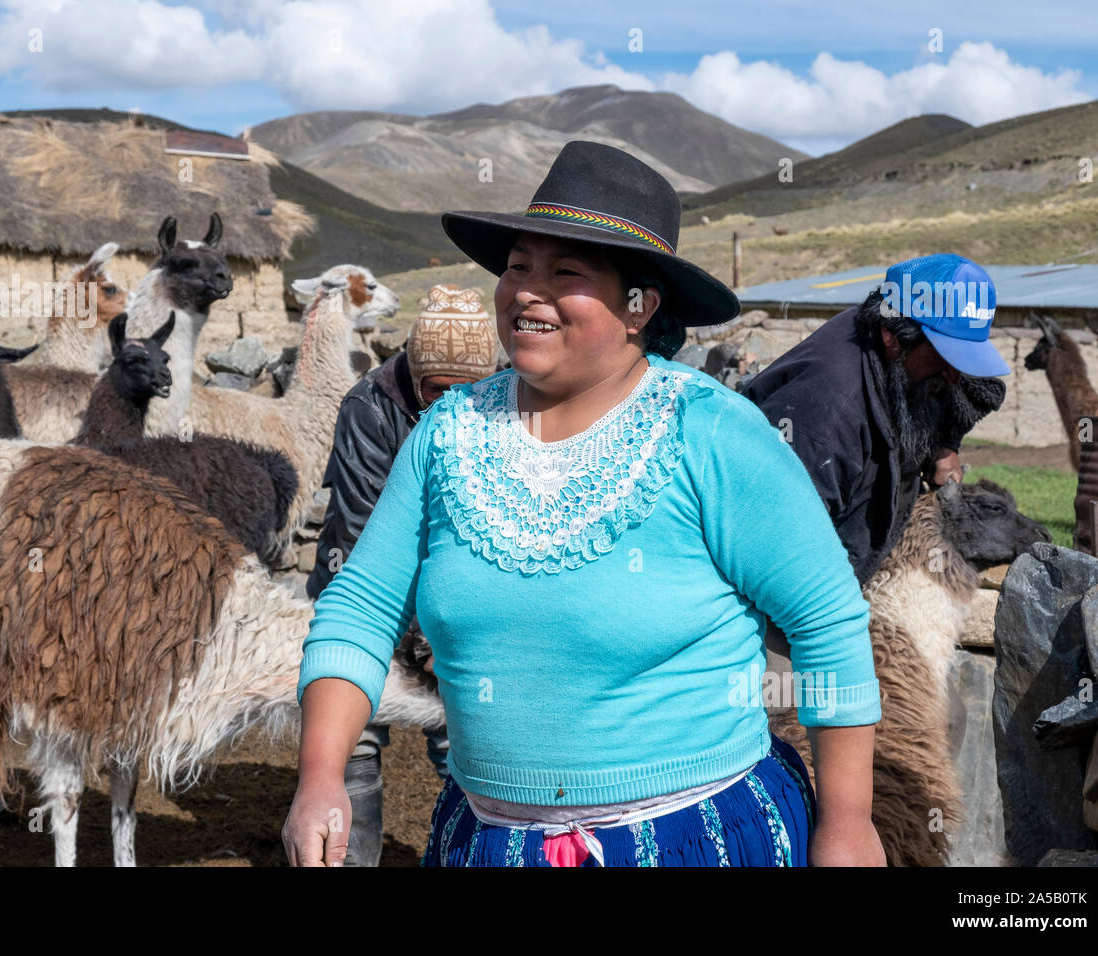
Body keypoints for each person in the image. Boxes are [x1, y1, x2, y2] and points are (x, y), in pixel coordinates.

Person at [284, 140, 884, 867]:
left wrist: (848, 823)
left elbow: (827, 624)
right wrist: (321, 778)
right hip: (489, 841)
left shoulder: (710, 433)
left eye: (565, 272)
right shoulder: (448, 435)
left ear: (640, 307)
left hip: (694, 839)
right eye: (517, 267)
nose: (526, 291)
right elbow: (359, 608)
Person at [305, 283, 499, 866]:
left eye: (469, 391)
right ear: (416, 375)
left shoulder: (511, 405)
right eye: (438, 390)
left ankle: (473, 849)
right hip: (366, 593)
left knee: (470, 735)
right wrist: (418, 639)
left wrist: (454, 632)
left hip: (461, 600)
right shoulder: (369, 407)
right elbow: (361, 534)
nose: (452, 406)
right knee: (351, 735)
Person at [742, 254, 1010, 588]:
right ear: (891, 335)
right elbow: (775, 562)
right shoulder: (825, 425)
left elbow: (980, 390)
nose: (955, 375)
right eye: (946, 356)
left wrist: (944, 447)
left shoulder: (905, 349)